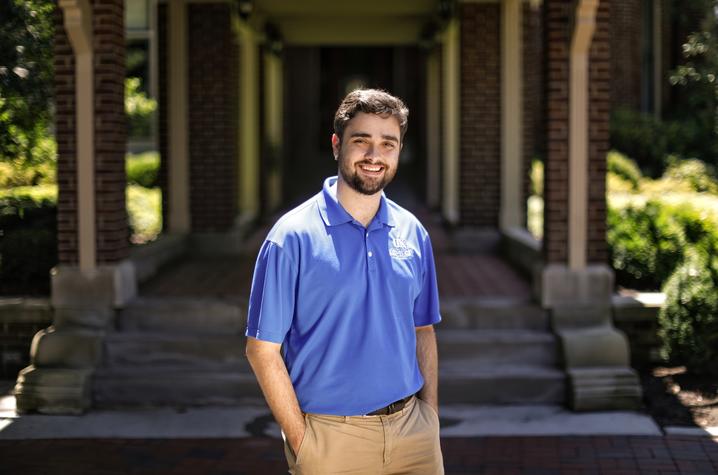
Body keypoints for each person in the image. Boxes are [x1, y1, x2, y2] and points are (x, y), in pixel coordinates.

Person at [245, 88, 444, 474]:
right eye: (361, 141)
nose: (374, 156)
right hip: (331, 440)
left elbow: (423, 329)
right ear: (337, 145)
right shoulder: (292, 237)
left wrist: (430, 416)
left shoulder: (412, 232)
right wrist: (303, 442)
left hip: (413, 434)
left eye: (388, 144)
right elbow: (261, 349)